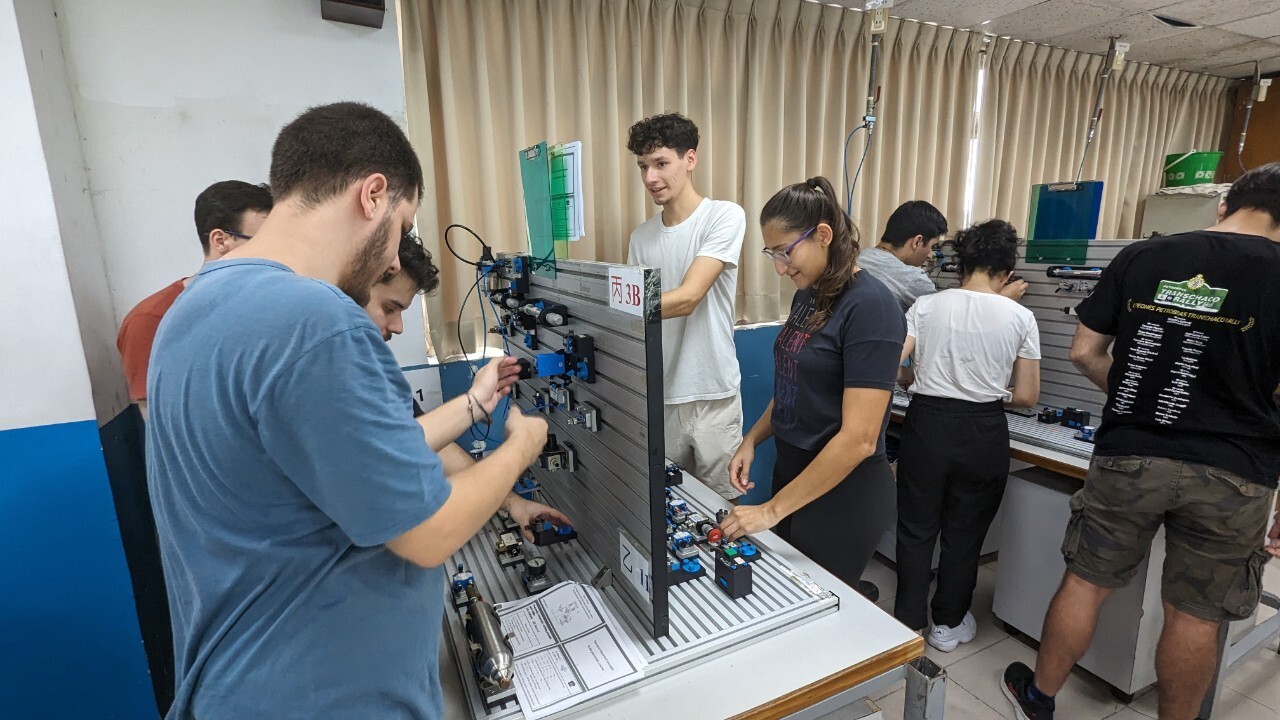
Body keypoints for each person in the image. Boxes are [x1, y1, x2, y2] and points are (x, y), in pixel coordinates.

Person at [146, 102, 548, 719]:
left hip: (242, 681)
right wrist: (521, 445)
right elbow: (431, 533)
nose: (394, 254)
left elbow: (338, 466)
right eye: (402, 227)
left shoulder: (192, 309)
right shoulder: (315, 323)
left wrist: (473, 404)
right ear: (373, 195)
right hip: (326, 696)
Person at [1003, 162, 1280, 720]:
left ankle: (1040, 698)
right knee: (1195, 615)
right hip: (1237, 469)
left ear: (1224, 205)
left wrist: (1136, 397)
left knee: (1085, 581)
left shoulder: (1144, 255)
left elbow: (1083, 352)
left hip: (1131, 455)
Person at [720, 176, 905, 599]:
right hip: (795, 472)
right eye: (772, 255)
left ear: (823, 235)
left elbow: (859, 440)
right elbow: (793, 382)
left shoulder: (872, 307)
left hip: (844, 489)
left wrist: (769, 510)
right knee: (786, 593)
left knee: (818, 606)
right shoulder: (810, 295)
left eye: (786, 253)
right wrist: (752, 439)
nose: (780, 269)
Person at [892, 219, 1041, 652]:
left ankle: (907, 625)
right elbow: (1028, 395)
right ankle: (947, 625)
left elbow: (889, 367)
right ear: (1005, 271)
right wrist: (987, 387)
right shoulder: (1020, 316)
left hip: (926, 425)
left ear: (962, 265)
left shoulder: (925, 306)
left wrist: (916, 378)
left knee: (916, 528)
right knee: (965, 532)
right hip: (983, 430)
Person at [366, 231, 569, 533]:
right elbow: (395, 456)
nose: (397, 327)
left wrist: (513, 503)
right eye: (389, 308)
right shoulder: (325, 369)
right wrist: (519, 448)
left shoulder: (375, 368)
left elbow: (428, 444)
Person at [626, 113, 747, 502]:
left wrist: (614, 305)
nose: (650, 177)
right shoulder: (641, 237)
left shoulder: (723, 216)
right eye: (643, 166)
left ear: (690, 159)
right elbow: (635, 319)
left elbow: (688, 298)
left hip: (713, 395)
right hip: (661, 397)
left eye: (661, 163)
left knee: (721, 513)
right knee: (666, 509)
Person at [116, 180, 273, 419]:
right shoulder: (151, 318)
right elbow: (159, 420)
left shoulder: (269, 307)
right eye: (262, 242)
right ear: (220, 241)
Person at [859, 199, 1029, 312]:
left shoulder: (861, 257)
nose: (930, 255)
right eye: (932, 246)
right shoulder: (911, 279)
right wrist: (1002, 299)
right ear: (917, 241)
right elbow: (952, 320)